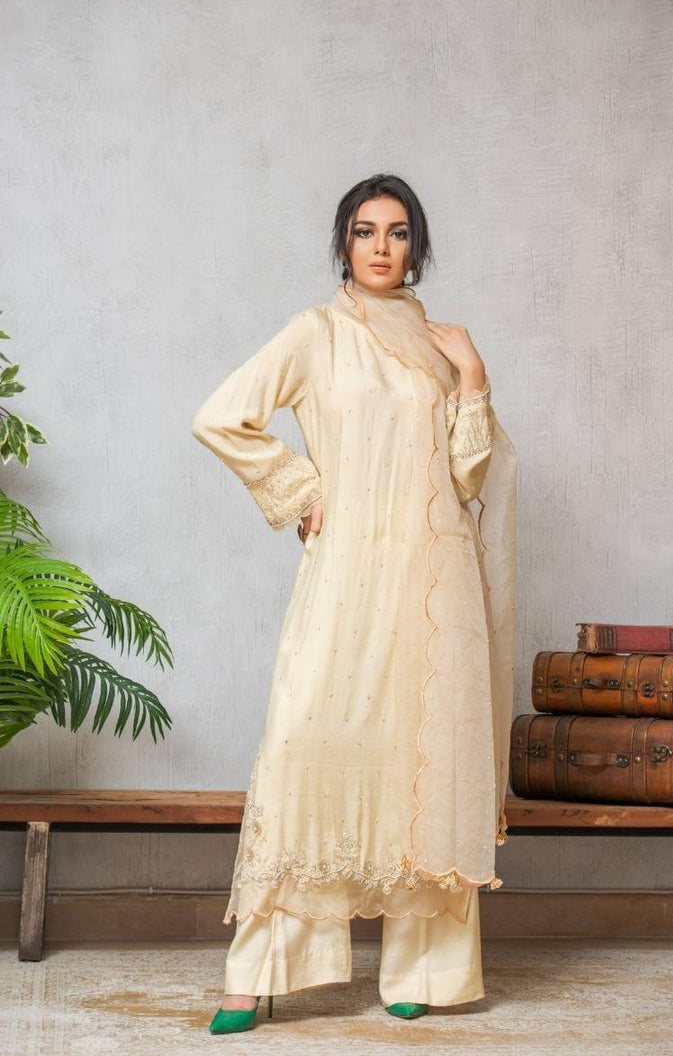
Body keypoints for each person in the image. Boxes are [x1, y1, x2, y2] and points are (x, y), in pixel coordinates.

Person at [191, 173, 518, 1032]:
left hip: (434, 581)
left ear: (417, 246)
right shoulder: (317, 333)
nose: (381, 246)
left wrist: (473, 375)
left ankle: (425, 971)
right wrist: (300, 489)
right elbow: (222, 417)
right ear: (343, 242)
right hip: (347, 573)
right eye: (365, 230)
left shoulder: (439, 345)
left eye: (398, 232)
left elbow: (468, 475)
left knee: (423, 759)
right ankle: (257, 973)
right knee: (305, 747)